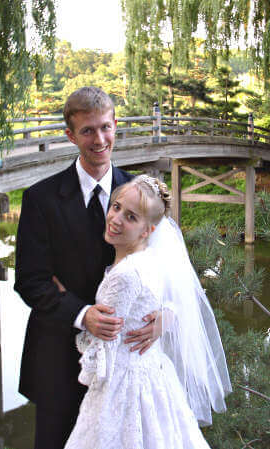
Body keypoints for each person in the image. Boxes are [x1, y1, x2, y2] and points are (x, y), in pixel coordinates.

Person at [14, 87, 157, 449]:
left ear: (115, 126)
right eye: (88, 131)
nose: (100, 139)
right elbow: (30, 280)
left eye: (106, 127)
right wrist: (82, 315)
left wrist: (164, 319)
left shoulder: (142, 194)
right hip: (58, 358)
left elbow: (164, 272)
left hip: (125, 360)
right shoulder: (40, 198)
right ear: (70, 135)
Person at [64, 175, 232, 449]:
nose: (116, 219)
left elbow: (103, 348)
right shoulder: (151, 260)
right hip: (153, 372)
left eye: (131, 217)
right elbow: (166, 297)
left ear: (147, 231)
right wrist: (167, 312)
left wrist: (89, 360)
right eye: (116, 207)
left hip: (124, 384)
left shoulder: (125, 275)